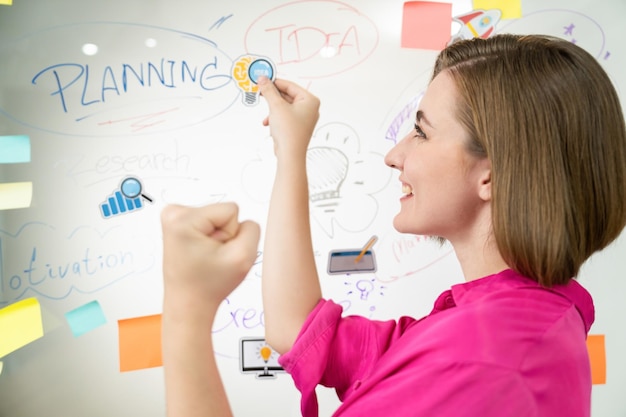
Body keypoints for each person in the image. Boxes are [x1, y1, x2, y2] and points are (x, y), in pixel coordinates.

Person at [161, 34, 626, 417]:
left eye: (421, 131)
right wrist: (292, 150)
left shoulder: (482, 358)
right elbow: (298, 331)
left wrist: (186, 309)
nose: (394, 155)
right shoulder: (503, 321)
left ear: (493, 173)